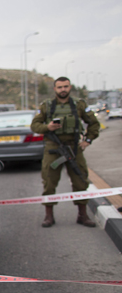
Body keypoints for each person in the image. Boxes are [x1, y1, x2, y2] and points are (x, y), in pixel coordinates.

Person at [30, 76, 100, 228]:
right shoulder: (46, 106)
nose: (63, 90)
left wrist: (87, 140)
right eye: (60, 87)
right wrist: (47, 128)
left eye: (66, 86)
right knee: (49, 182)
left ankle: (82, 215)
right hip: (53, 148)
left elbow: (94, 124)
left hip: (74, 148)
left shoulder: (79, 105)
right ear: (55, 89)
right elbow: (34, 125)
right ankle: (49, 216)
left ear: (70, 87)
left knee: (80, 180)